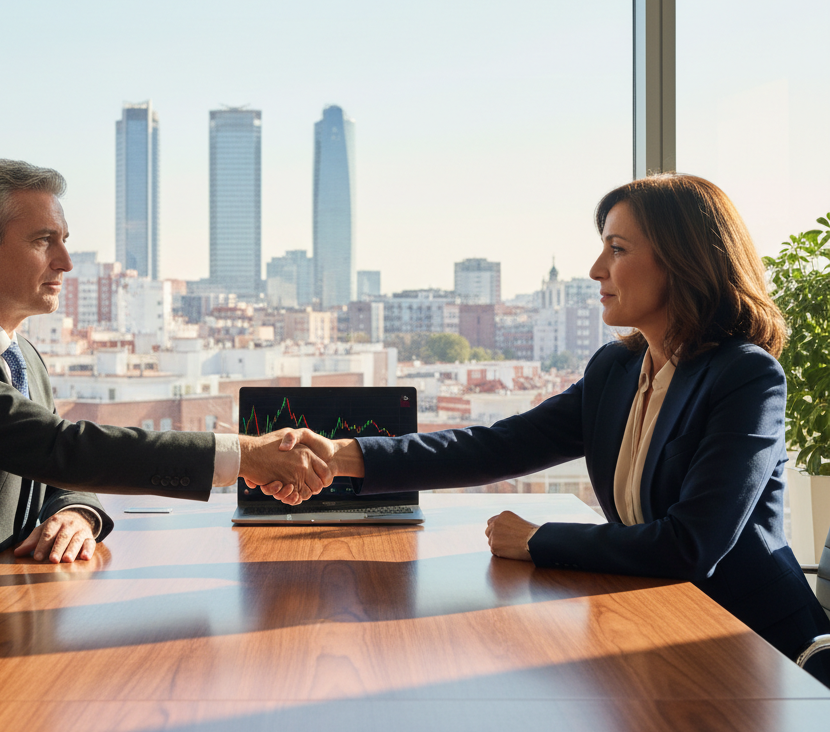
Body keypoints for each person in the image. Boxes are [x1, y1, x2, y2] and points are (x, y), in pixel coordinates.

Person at [271, 174, 830, 685]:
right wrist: (342, 455)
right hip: (657, 626)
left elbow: (691, 545)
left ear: (682, 262)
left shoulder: (745, 376)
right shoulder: (615, 371)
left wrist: (538, 539)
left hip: (756, 650)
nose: (595, 270)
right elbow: (501, 445)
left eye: (617, 249)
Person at [0, 159, 329, 652]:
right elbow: (59, 447)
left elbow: (56, 469)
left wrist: (76, 512)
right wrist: (243, 456)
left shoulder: (20, 355)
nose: (65, 261)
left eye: (63, 241)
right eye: (44, 241)